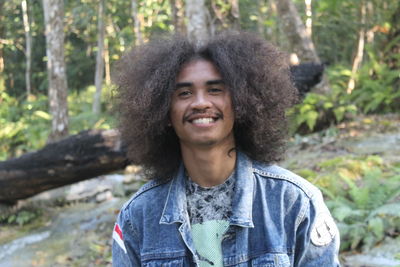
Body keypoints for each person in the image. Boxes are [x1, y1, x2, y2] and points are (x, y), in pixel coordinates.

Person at [112, 31, 340, 267]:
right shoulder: (137, 217)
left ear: (241, 103)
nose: (201, 103)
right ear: (164, 112)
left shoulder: (294, 203)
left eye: (215, 90)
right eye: (184, 93)